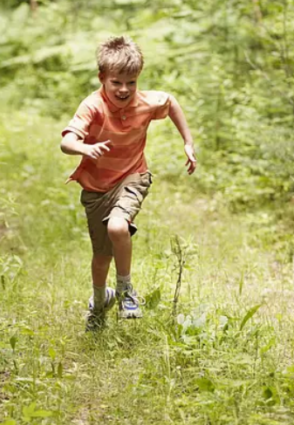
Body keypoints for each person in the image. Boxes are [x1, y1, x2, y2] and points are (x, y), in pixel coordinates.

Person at [60, 36, 197, 330]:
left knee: (118, 226)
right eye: (117, 82)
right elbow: (67, 141)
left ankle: (125, 290)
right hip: (97, 188)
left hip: (133, 176)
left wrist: (188, 141)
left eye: (131, 82)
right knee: (100, 257)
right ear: (102, 78)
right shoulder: (92, 105)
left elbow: (170, 102)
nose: (124, 89)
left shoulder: (145, 101)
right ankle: (99, 303)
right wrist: (83, 148)